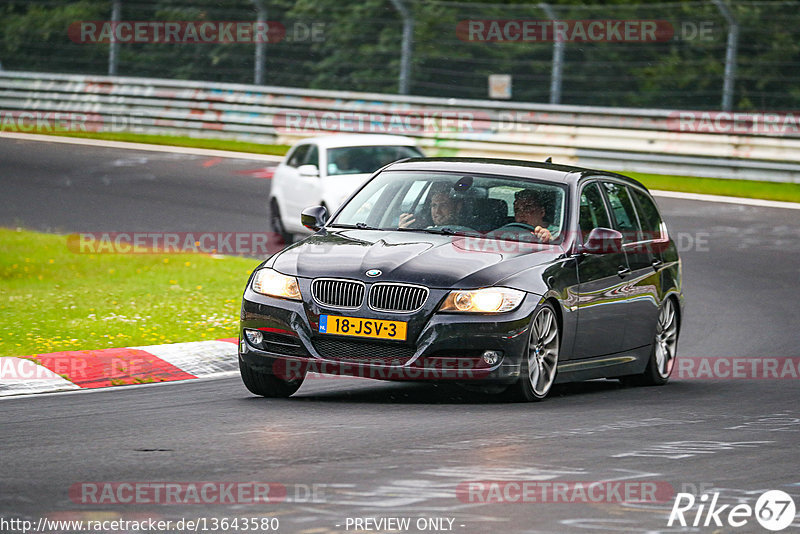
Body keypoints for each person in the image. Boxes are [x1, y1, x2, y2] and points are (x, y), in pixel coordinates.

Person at [399, 184, 464, 228]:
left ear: (458, 207)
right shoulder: (423, 232)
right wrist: (402, 231)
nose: (437, 211)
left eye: (443, 205)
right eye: (434, 206)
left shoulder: (468, 235)